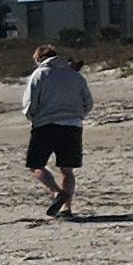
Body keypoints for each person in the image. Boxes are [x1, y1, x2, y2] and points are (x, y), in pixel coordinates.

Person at [22, 44, 91, 218]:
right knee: (67, 169)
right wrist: (78, 115)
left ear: (39, 59)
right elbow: (88, 102)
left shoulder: (40, 74)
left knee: (36, 165)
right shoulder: (74, 75)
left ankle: (56, 191)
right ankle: (66, 208)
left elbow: (31, 103)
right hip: (72, 125)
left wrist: (32, 117)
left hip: (46, 125)